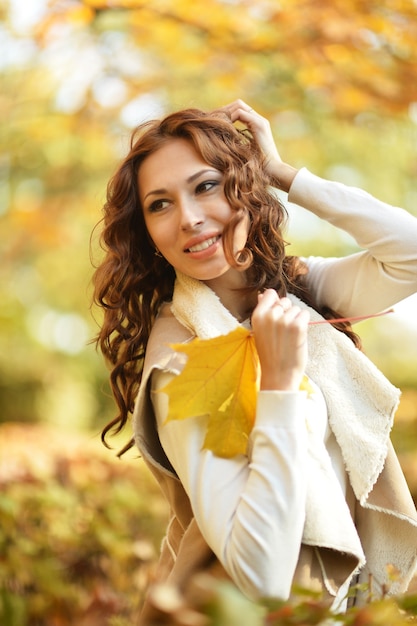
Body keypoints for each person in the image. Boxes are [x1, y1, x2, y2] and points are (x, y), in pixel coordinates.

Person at [92, 99, 417, 622]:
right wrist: (280, 386)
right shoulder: (181, 358)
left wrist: (284, 174)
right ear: (147, 235)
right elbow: (260, 575)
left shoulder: (294, 290)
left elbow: (411, 250)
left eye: (205, 186)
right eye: (160, 204)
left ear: (244, 188)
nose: (190, 218)